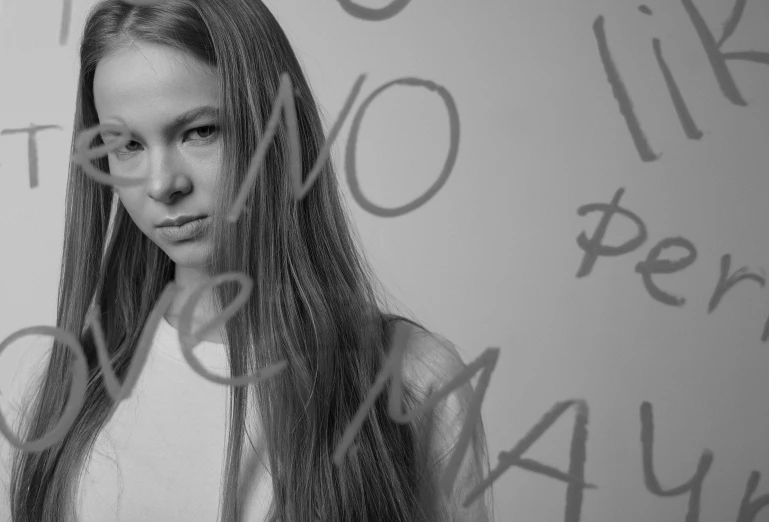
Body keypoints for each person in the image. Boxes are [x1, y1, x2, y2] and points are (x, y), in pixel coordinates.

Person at [0, 0, 494, 520]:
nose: (163, 184)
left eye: (201, 131)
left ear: (279, 130)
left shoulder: (414, 378)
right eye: (126, 145)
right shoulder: (59, 387)